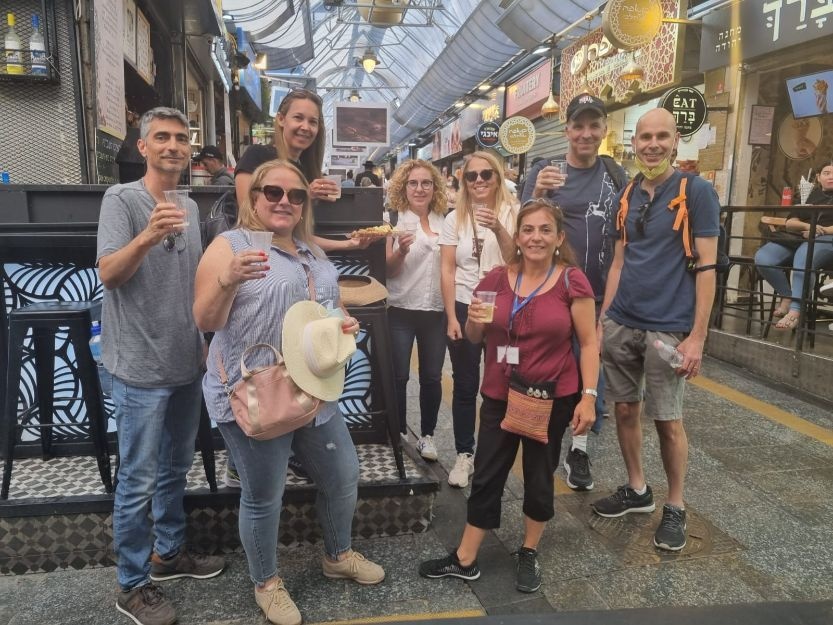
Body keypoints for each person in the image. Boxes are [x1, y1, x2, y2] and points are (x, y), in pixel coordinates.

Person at [193, 160, 385, 625]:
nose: (285, 201)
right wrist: (228, 278)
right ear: (254, 197)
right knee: (263, 495)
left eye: (296, 195)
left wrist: (342, 323)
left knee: (342, 475)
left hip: (313, 388)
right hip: (254, 393)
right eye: (273, 192)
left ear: (304, 205)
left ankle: (337, 555)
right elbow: (205, 321)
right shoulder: (229, 246)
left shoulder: (310, 253)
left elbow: (326, 308)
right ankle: (267, 583)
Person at [419, 199, 598, 593]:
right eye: (528, 230)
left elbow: (588, 343)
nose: (536, 237)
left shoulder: (572, 281)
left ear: (558, 237)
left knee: (538, 476)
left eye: (544, 230)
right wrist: (472, 320)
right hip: (501, 392)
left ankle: (529, 550)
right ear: (516, 237)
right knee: (487, 474)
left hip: (552, 396)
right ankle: (466, 557)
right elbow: (474, 338)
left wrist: (588, 396)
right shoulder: (497, 279)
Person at [97, 107, 226, 625]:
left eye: (181, 138)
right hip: (138, 367)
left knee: (176, 466)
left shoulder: (191, 207)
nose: (173, 145)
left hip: (184, 360)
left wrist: (204, 339)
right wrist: (147, 235)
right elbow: (108, 272)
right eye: (162, 138)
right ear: (143, 145)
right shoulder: (121, 199)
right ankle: (130, 584)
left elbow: (193, 282)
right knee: (137, 478)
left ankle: (168, 555)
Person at [592, 108, 720, 552]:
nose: (652, 144)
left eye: (661, 136)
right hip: (622, 321)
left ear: (675, 141)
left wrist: (698, 336)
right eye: (645, 136)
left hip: (668, 329)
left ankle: (676, 505)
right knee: (625, 411)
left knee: (667, 420)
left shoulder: (697, 192)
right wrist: (605, 317)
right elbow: (620, 261)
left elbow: (706, 268)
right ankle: (637, 489)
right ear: (634, 142)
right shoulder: (627, 194)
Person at [521, 94, 628, 492]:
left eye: (593, 125)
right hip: (552, 293)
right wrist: (538, 192)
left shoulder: (616, 175)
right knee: (545, 366)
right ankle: (540, 435)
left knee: (590, 371)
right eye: (578, 126)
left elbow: (625, 239)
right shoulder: (545, 173)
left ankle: (579, 447)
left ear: (604, 130)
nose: (586, 133)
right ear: (566, 131)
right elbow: (526, 227)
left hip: (598, 295)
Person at [439, 150, 518, 488]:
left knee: (503, 378)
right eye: (472, 176)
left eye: (487, 174)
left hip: (505, 310)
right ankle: (464, 454)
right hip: (465, 306)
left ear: (498, 177)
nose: (479, 181)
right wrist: (450, 317)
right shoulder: (453, 218)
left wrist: (499, 227)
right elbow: (447, 268)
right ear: (464, 181)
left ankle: (494, 450)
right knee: (465, 382)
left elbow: (520, 260)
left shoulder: (514, 211)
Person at [233, 89, 363, 253]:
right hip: (257, 260)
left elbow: (298, 238)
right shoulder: (256, 156)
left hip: (291, 259)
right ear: (281, 119)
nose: (306, 127)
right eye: (298, 118)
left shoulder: (305, 171)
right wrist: (303, 195)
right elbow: (249, 220)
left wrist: (351, 244)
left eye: (313, 122)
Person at [385, 160, 448, 459]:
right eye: (413, 183)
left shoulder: (444, 221)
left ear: (434, 187)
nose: (420, 189)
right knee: (398, 375)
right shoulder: (393, 221)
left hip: (435, 311)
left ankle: (427, 435)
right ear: (403, 187)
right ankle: (397, 431)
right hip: (401, 308)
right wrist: (401, 250)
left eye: (426, 183)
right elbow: (388, 270)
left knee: (432, 377)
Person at [754, 161, 833, 330]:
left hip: (827, 239)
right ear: (818, 177)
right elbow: (791, 222)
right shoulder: (810, 196)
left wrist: (821, 231)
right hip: (798, 237)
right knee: (763, 257)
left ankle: (796, 311)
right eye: (827, 173)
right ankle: (787, 296)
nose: (831, 177)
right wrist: (807, 227)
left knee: (804, 256)